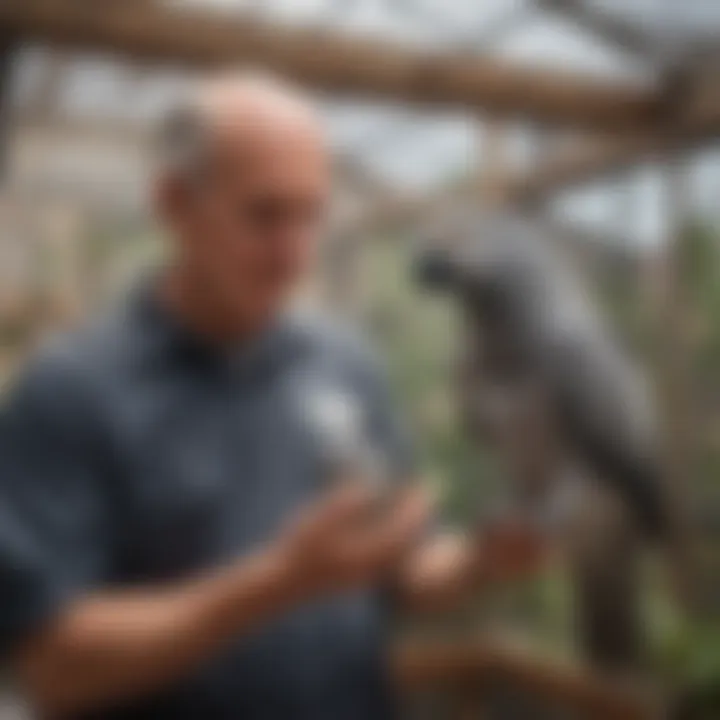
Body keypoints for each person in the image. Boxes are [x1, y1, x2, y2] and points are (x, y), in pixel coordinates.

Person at [0, 73, 541, 720]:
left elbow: (404, 570)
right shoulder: (71, 391)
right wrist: (277, 583)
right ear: (174, 203)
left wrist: (484, 556)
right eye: (265, 215)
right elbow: (47, 663)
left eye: (311, 216)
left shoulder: (347, 365)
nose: (296, 255)